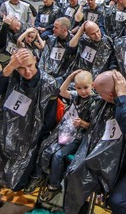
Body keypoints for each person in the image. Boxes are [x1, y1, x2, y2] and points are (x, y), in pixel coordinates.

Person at [64, 70, 126, 214]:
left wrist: (121, 98)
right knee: (74, 176)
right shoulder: (105, 101)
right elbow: (96, 130)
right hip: (109, 155)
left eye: (100, 94)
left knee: (118, 201)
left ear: (112, 95)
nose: (98, 96)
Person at [0, 48, 59, 190]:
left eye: (30, 66)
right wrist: (9, 67)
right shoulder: (11, 76)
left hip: (30, 134)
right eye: (21, 68)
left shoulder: (49, 83)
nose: (27, 72)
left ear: (36, 61)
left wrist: (37, 136)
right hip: (6, 126)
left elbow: (49, 117)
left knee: (17, 183)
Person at [34, 70, 98, 201]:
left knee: (58, 155)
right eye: (79, 88)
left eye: (86, 87)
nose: (83, 91)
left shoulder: (96, 102)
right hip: (67, 132)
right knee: (46, 149)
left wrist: (83, 124)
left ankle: (54, 186)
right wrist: (70, 77)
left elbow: (96, 127)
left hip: (81, 137)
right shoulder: (76, 96)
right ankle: (42, 176)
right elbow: (61, 92)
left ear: (93, 85)